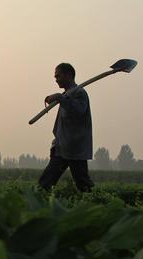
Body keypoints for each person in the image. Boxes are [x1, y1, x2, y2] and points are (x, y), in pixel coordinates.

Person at [38, 63, 94, 192]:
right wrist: (55, 98)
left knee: (83, 183)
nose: (56, 79)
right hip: (62, 146)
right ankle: (40, 205)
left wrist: (61, 99)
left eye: (58, 76)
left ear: (68, 75)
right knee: (46, 182)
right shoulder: (67, 94)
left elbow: (78, 111)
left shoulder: (79, 93)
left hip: (75, 147)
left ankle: (98, 205)